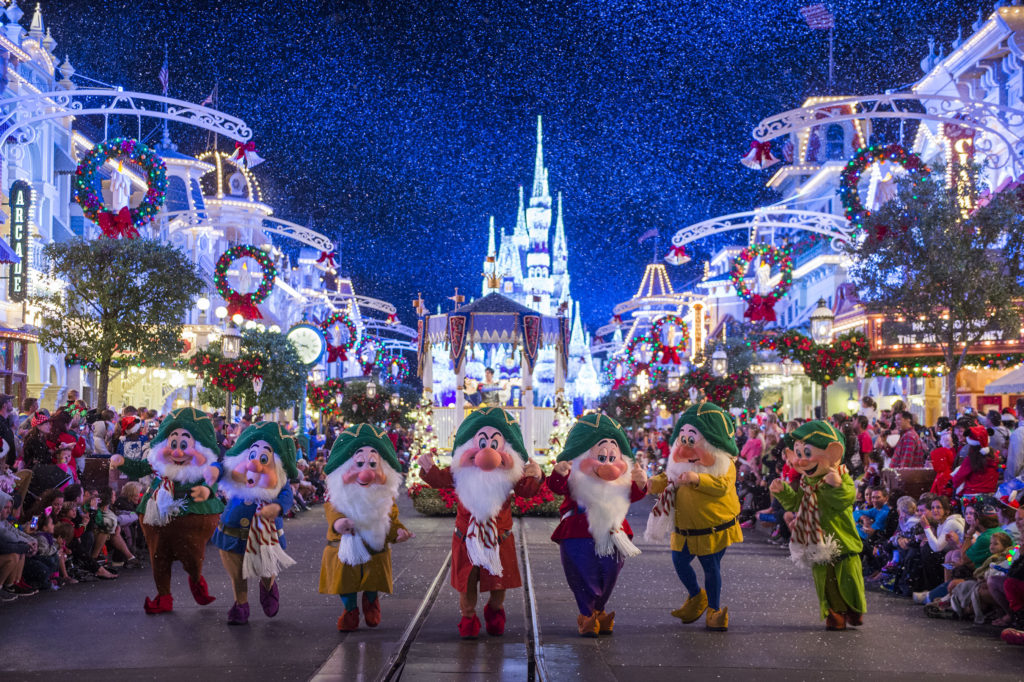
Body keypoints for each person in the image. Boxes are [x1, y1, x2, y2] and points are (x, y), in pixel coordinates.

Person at [417, 407, 543, 639]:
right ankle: (468, 616)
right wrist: (428, 468)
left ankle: (495, 610)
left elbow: (526, 491)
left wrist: (536, 475)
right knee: (467, 581)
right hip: (466, 537)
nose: (488, 451)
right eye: (482, 442)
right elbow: (439, 479)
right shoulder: (460, 472)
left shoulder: (509, 474)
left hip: (499, 537)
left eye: (495, 444)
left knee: (498, 581)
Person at [110, 407, 225, 614]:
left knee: (192, 556)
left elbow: (212, 480)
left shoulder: (203, 468)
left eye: (184, 445)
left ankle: (196, 579)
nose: (178, 452)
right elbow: (139, 468)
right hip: (158, 516)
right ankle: (163, 596)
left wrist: (207, 491)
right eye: (173, 444)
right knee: (159, 556)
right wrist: (123, 462)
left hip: (190, 513)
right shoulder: (157, 463)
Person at [644, 402, 743, 632]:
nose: (686, 446)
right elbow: (668, 477)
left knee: (711, 566)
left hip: (713, 526)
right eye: (684, 438)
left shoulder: (724, 464)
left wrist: (697, 479)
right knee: (679, 562)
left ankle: (714, 610)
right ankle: (697, 596)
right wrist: (652, 483)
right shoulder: (679, 463)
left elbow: (722, 486)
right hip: (685, 528)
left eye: (692, 439)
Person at [548, 414, 647, 636]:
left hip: (614, 531)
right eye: (601, 457)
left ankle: (599, 609)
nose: (608, 465)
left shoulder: (620, 480)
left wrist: (641, 484)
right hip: (579, 530)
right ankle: (587, 613)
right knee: (581, 574)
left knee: (610, 572)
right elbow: (557, 486)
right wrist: (559, 473)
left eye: (613, 457)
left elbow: (630, 495)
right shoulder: (575, 477)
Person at [770, 420, 866, 631]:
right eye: (798, 454)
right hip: (816, 541)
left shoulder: (841, 475)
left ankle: (854, 609)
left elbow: (845, 500)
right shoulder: (807, 482)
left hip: (841, 539)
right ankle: (834, 613)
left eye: (807, 453)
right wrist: (783, 491)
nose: (802, 460)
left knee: (849, 577)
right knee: (826, 582)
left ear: (833, 453)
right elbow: (798, 503)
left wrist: (836, 486)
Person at [319, 424, 413, 631]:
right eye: (359, 463)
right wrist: (339, 523)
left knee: (373, 577)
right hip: (345, 546)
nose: (366, 473)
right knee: (346, 580)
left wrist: (398, 532)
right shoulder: (337, 495)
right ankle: (350, 609)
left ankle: (371, 601)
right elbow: (333, 511)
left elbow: (391, 518)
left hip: (374, 547)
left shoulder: (384, 497)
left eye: (372, 464)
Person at [211, 422, 297, 625]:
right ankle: (240, 604)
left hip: (265, 534)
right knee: (237, 574)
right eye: (252, 455)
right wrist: (213, 470)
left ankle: (268, 586)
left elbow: (286, 496)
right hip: (232, 533)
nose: (254, 464)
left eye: (264, 458)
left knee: (266, 566)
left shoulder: (279, 481)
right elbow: (222, 466)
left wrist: (277, 507)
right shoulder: (238, 472)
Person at [951, 426, 1000, 496]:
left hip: (971, 496)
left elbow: (959, 477)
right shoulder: (994, 458)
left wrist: (954, 485)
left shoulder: (970, 460)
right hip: (989, 495)